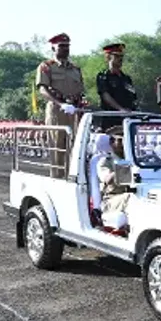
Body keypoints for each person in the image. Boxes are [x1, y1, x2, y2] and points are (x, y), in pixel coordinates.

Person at [36, 33, 86, 178]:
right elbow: (42, 89)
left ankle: (71, 178)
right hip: (57, 110)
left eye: (67, 46)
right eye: (61, 46)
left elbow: (81, 91)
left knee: (74, 146)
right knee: (57, 147)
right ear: (53, 48)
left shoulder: (75, 68)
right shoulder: (46, 66)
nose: (65, 49)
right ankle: (57, 179)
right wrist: (61, 103)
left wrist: (80, 105)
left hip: (74, 110)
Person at [96, 43, 138, 132]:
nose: (120, 59)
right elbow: (105, 95)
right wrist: (120, 109)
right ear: (108, 57)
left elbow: (133, 97)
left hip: (127, 120)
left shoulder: (126, 78)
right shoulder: (103, 76)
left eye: (121, 56)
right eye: (117, 56)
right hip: (111, 119)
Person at [95, 130, 132, 214]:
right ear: (112, 142)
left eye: (125, 140)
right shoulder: (105, 161)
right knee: (132, 198)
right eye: (120, 140)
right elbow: (107, 179)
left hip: (133, 192)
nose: (123, 143)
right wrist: (122, 169)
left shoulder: (134, 160)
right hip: (111, 199)